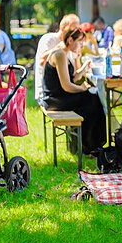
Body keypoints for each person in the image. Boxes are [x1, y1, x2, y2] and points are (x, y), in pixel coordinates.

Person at [40, 22, 106, 156]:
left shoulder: (64, 53)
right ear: (70, 40)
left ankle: (92, 144)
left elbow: (72, 78)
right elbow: (67, 86)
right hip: (54, 100)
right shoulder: (59, 54)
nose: (82, 45)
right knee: (92, 101)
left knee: (93, 99)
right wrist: (82, 88)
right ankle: (91, 146)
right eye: (80, 42)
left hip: (59, 96)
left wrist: (83, 69)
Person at [35, 14, 80, 103]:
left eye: (77, 29)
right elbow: (42, 60)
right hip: (48, 93)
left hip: (63, 91)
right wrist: (59, 48)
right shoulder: (49, 38)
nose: (75, 33)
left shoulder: (71, 44)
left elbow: (74, 75)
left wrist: (77, 57)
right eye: (73, 29)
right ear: (63, 28)